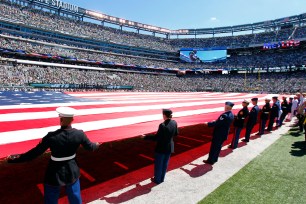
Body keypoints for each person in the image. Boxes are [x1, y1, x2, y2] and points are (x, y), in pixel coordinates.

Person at [7, 107, 100, 204]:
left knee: (51, 198)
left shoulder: (51, 136)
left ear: (60, 119)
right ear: (72, 119)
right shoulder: (79, 134)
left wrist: (15, 158)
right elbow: (90, 147)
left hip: (54, 172)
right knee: (75, 197)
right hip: (72, 170)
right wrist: (96, 145)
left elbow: (34, 153)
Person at [143, 109, 178, 184]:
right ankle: (162, 178)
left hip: (161, 147)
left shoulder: (162, 125)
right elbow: (176, 134)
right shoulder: (174, 122)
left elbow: (156, 138)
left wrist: (145, 137)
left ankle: (157, 180)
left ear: (164, 115)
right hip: (170, 146)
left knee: (159, 164)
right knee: (165, 164)